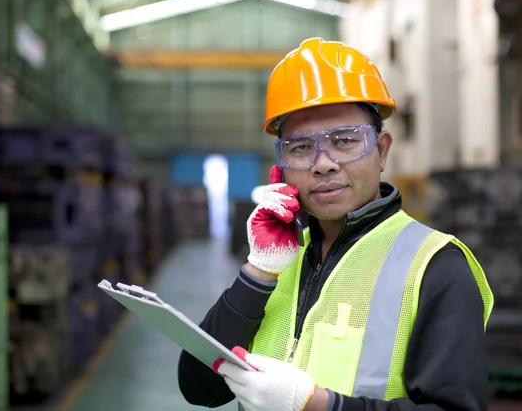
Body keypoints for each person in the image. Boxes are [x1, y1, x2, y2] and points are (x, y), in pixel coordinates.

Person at [177, 37, 494, 411]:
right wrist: (258, 272)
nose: (323, 163)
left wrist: (318, 405)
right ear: (281, 166)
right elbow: (200, 388)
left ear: (382, 151)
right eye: (300, 147)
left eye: (345, 141)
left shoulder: (435, 266)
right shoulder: (282, 264)